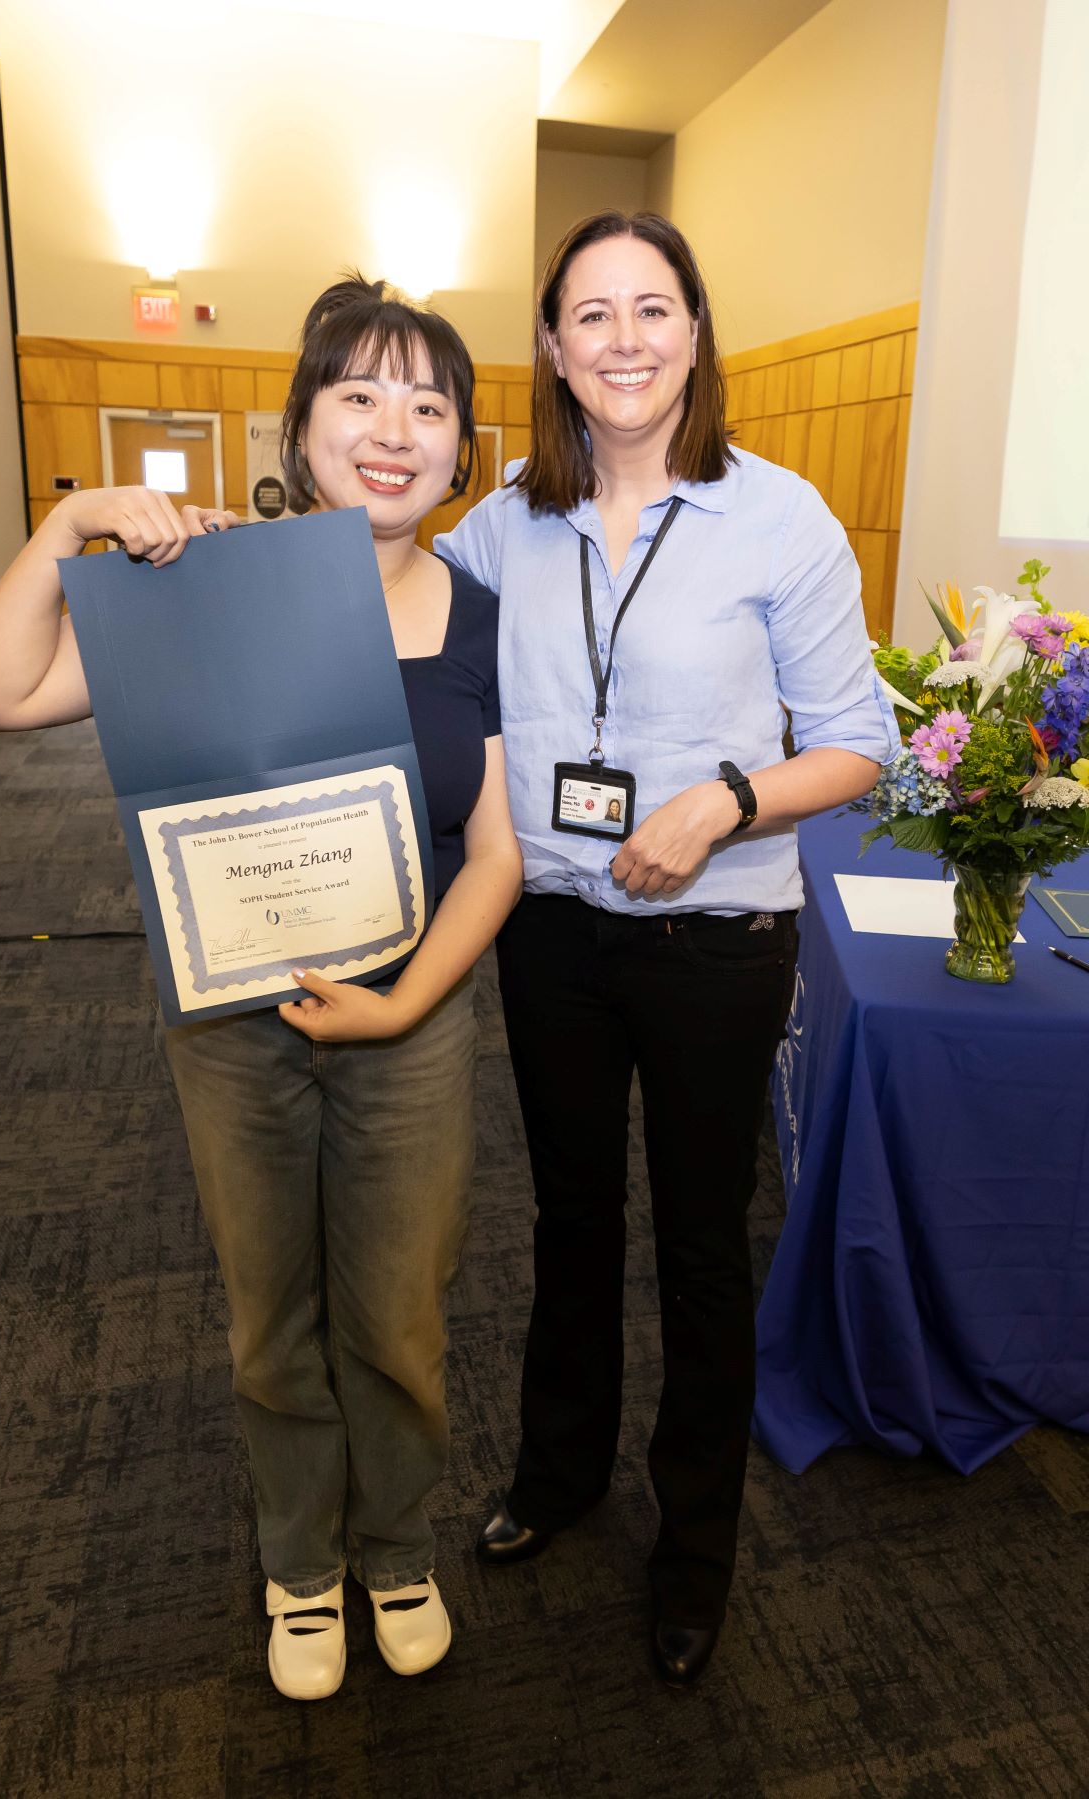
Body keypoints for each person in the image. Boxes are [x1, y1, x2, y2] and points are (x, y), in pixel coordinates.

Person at [0, 277, 522, 1702]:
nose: (396, 431)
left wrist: (402, 1007)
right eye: (361, 397)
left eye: (430, 406)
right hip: (233, 1022)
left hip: (412, 1017)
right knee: (271, 1313)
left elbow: (499, 854)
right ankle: (299, 1566)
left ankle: (395, 1544)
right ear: (303, 422)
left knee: (398, 1312)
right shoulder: (205, 580)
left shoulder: (485, 618)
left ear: (462, 450)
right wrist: (72, 524)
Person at [434, 212, 898, 1689]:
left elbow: (860, 747)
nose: (624, 340)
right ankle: (558, 1478)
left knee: (703, 1250)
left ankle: (695, 1544)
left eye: (653, 309)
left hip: (717, 940)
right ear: (554, 351)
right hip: (555, 930)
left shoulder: (783, 517)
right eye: (591, 315)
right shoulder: (499, 525)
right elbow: (384, 613)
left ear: (695, 333)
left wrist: (725, 801)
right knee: (569, 1224)